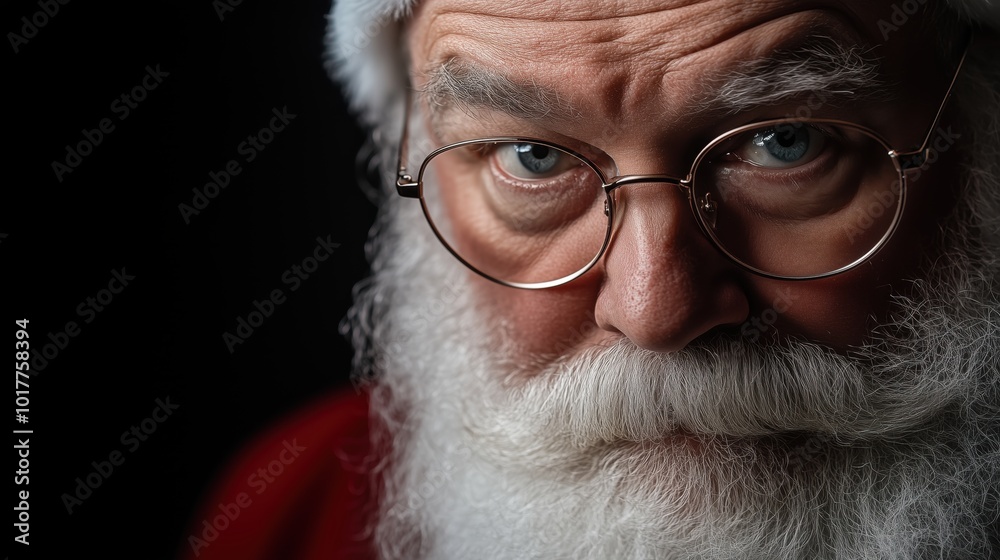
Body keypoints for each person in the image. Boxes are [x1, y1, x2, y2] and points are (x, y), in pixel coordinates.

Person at [183, 1, 1000, 558]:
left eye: (787, 142)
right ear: (416, 160)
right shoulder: (293, 508)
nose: (655, 309)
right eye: (531, 157)